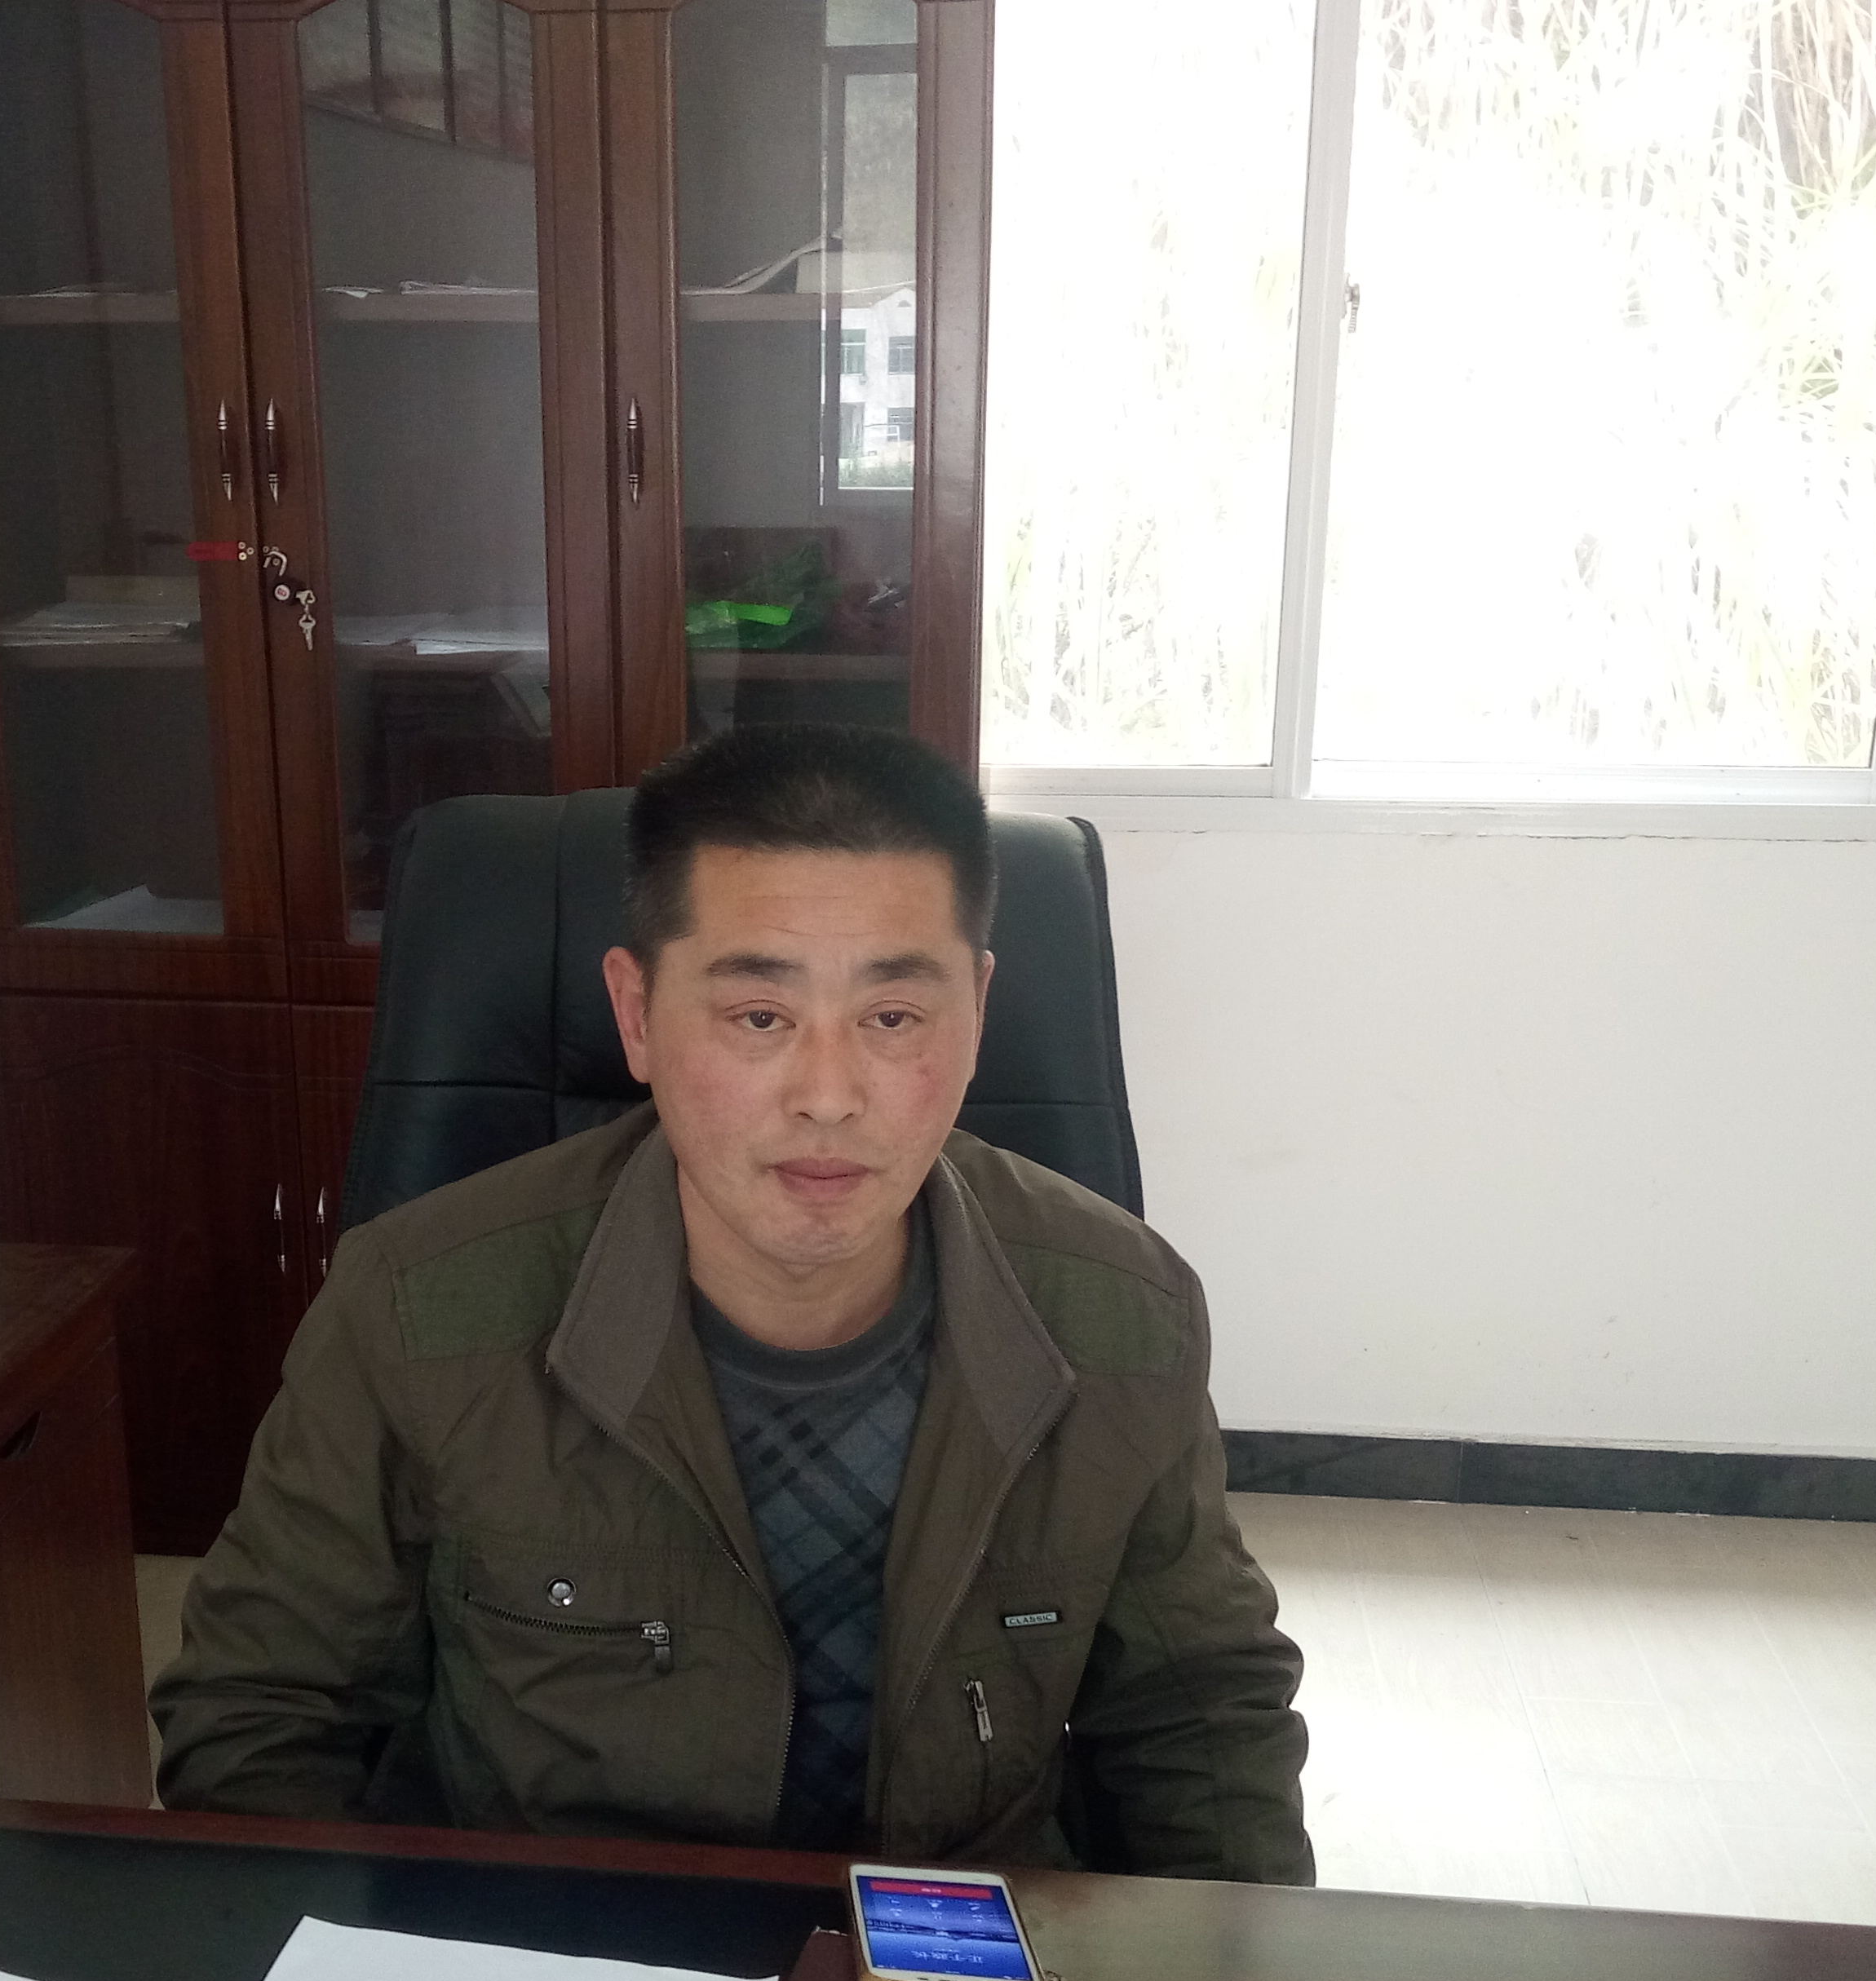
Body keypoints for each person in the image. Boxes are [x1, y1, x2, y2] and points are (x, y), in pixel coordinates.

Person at [153, 726, 1312, 1882]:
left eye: (893, 1018)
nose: (828, 1096)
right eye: (760, 1017)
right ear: (637, 1015)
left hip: (956, 1954)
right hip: (560, 1951)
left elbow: (1201, 1724)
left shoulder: (1127, 1317)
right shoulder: (414, 1310)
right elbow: (261, 1719)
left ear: (978, 1012)